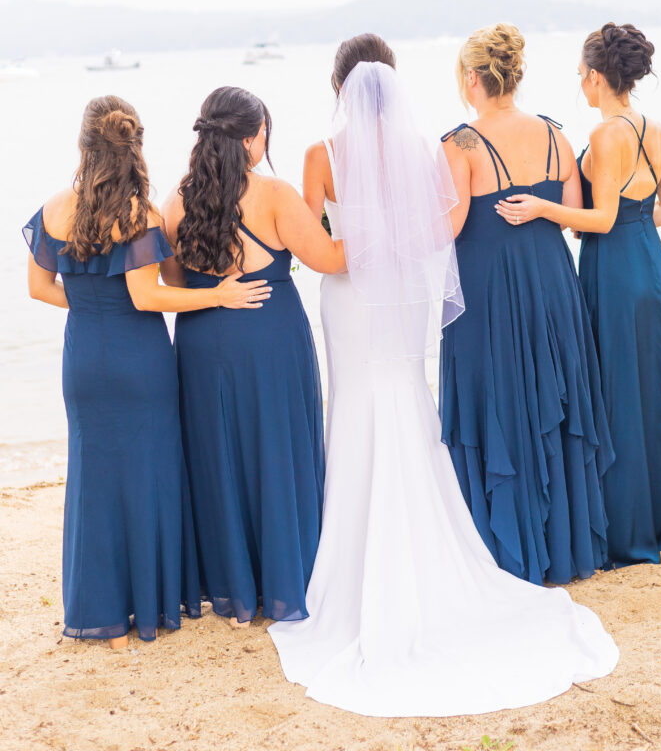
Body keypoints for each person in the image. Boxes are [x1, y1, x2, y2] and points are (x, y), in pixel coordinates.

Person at [268, 37, 618, 718]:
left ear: (338, 86)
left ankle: (353, 540)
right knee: (409, 395)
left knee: (356, 404)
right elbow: (439, 229)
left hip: (350, 297)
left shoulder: (320, 155)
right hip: (402, 298)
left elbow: (315, 246)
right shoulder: (426, 149)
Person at [23, 95, 265, 648]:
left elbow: (38, 289)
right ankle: (146, 608)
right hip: (139, 361)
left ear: (84, 145)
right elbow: (149, 295)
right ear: (134, 147)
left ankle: (99, 615)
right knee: (149, 476)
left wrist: (90, 308)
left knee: (95, 481)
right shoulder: (140, 214)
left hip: (84, 357)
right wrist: (219, 296)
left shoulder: (55, 207)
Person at [497, 23, 661, 568]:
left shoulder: (609, 134)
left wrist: (545, 210)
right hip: (648, 262)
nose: (580, 85)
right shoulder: (651, 127)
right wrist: (631, 230)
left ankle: (628, 533)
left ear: (594, 76)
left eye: (580, 75)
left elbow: (602, 215)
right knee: (653, 389)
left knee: (618, 393)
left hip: (613, 269)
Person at [162, 86, 345, 628]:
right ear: (249, 138)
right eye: (265, 129)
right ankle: (287, 578)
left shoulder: (176, 201)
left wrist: (214, 288)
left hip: (199, 344)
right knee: (277, 450)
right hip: (268, 338)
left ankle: (231, 585)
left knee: (216, 456)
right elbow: (330, 260)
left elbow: (172, 280)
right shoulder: (274, 195)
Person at [439, 23, 614, 585]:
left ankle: (506, 548)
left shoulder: (460, 142)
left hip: (489, 291)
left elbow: (451, 225)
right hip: (551, 284)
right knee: (549, 398)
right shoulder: (556, 134)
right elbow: (573, 215)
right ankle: (563, 547)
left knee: (498, 398)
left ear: (472, 78)